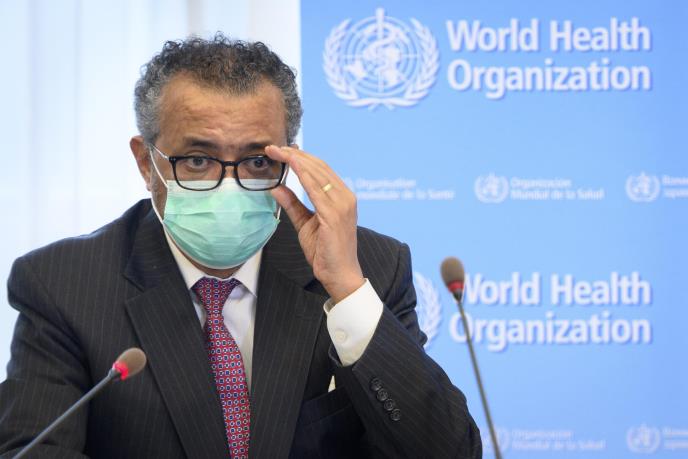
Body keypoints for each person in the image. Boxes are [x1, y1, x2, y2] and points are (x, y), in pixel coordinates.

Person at [0, 34, 481, 458]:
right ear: (147, 163)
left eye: (256, 162)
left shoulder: (369, 267)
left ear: (289, 160)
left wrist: (348, 292)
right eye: (197, 160)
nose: (229, 187)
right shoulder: (63, 285)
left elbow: (448, 452)